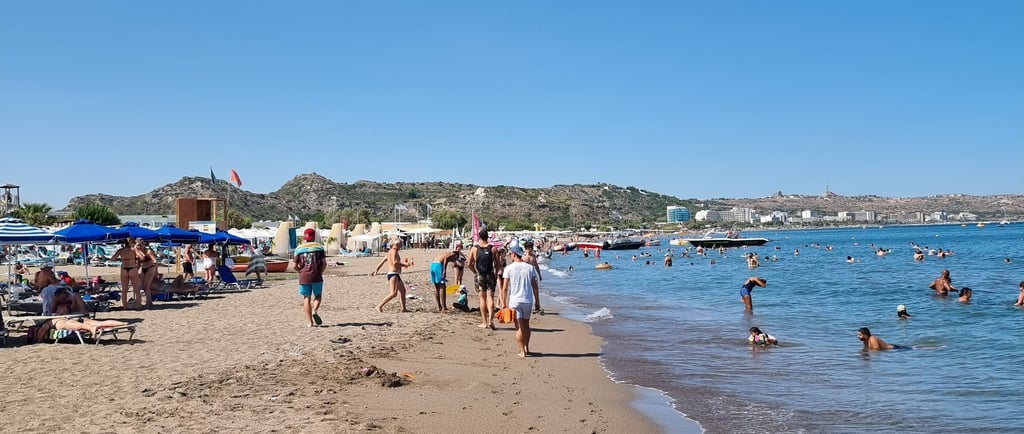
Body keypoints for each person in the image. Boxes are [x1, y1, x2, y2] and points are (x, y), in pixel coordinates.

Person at [499, 244, 540, 357]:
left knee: (518, 327)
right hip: (527, 300)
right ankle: (526, 347)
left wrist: (503, 302)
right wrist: (537, 301)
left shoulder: (509, 268)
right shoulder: (529, 268)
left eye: (511, 254)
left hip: (515, 301)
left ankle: (522, 351)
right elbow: (535, 286)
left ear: (514, 254)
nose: (510, 256)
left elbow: (505, 287)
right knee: (526, 325)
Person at [467, 230, 501, 329]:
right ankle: (491, 320)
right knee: (490, 297)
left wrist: (475, 272)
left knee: (482, 298)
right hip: (490, 274)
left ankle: (484, 322)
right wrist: (495, 274)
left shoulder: (474, 249)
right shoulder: (493, 249)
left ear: (479, 237)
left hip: (480, 275)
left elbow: (469, 264)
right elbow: (497, 265)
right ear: (487, 237)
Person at [294, 228, 327, 327]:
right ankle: (315, 311)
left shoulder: (299, 249)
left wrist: (300, 271)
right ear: (314, 237)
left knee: (306, 298)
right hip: (316, 274)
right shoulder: (319, 247)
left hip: (304, 276)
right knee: (318, 296)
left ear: (305, 237)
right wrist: (320, 271)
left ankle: (310, 323)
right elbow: (324, 264)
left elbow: (294, 266)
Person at [372, 238, 413, 313]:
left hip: (396, 274)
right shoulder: (393, 251)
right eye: (400, 245)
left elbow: (382, 261)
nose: (401, 247)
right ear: (396, 245)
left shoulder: (390, 252)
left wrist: (376, 270)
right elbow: (395, 263)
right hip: (393, 274)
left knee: (403, 291)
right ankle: (379, 306)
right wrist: (405, 265)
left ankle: (404, 308)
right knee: (393, 293)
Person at [110, 239, 142, 310]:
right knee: (136, 289)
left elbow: (112, 259)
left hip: (124, 268)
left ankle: (125, 306)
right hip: (132, 268)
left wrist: (122, 259)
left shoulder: (121, 250)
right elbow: (141, 257)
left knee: (124, 290)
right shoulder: (134, 250)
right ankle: (139, 306)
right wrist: (135, 259)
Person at [429, 248, 462, 312]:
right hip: (438, 266)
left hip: (433, 265)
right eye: (455, 259)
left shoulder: (444, 253)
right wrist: (444, 270)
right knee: (442, 286)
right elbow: (446, 259)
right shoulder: (452, 254)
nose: (453, 261)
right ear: (456, 256)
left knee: (436, 288)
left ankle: (439, 306)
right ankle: (444, 307)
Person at [135, 239, 159, 309]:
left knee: (147, 286)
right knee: (143, 286)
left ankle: (148, 303)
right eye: (138, 245)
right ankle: (150, 302)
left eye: (140, 245)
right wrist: (135, 271)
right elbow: (139, 263)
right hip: (144, 268)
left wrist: (156, 269)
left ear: (144, 244)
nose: (139, 246)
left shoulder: (148, 251)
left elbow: (154, 260)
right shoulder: (138, 252)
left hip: (150, 268)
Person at [521, 240, 543, 314]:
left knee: (535, 288)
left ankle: (537, 304)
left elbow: (536, 265)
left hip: (532, 273)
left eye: (531, 247)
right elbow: (523, 262)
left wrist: (539, 274)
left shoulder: (533, 256)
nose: (530, 249)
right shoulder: (523, 256)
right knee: (526, 289)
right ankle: (525, 304)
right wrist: (527, 253)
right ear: (526, 248)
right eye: (529, 247)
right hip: (525, 273)